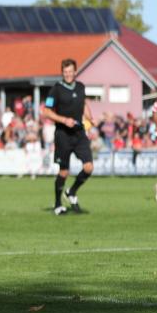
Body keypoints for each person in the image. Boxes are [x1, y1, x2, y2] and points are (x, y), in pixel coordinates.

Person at [42, 58, 95, 215]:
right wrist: (64, 120)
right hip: (63, 134)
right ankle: (58, 204)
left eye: (71, 71)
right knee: (64, 172)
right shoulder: (56, 89)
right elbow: (47, 111)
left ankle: (71, 192)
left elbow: (84, 104)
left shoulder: (80, 87)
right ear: (62, 72)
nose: (68, 74)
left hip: (79, 133)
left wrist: (91, 118)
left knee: (89, 167)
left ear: (75, 72)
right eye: (65, 72)